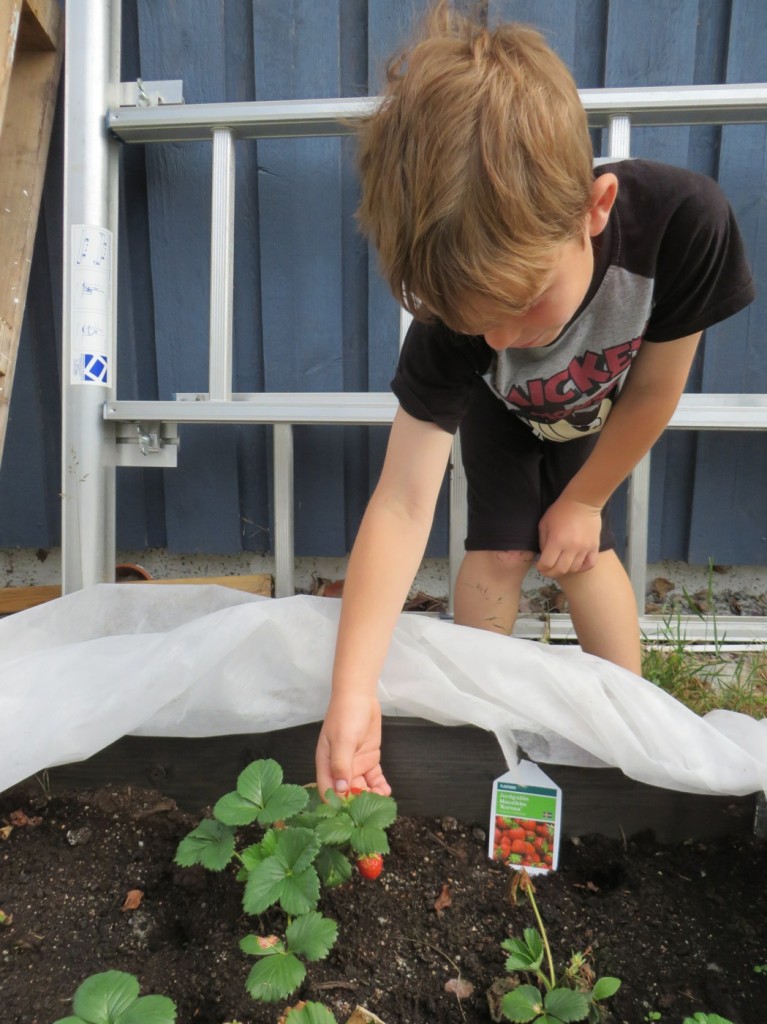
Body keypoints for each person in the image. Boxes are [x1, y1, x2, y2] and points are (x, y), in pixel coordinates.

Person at [315, 2, 755, 799]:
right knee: (500, 551)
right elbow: (401, 505)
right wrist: (351, 694)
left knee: (584, 555)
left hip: (603, 407)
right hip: (502, 415)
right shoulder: (458, 334)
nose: (504, 337)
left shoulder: (684, 227)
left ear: (595, 209)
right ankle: (482, 730)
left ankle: (634, 734)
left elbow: (655, 389)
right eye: (471, 321)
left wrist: (584, 500)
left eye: (521, 304)